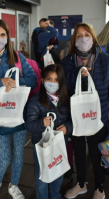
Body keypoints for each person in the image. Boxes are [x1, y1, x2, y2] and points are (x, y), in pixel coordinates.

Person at [0, 19, 37, 199]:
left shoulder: (17, 55)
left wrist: (16, 82)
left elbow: (33, 79)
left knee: (19, 154)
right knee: (3, 158)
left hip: (18, 113)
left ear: (7, 36)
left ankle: (14, 185)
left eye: (2, 35)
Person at [61, 23, 109, 199]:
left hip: (99, 117)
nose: (83, 39)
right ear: (74, 40)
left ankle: (100, 187)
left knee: (97, 155)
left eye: (86, 34)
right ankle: (81, 184)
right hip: (77, 119)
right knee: (79, 154)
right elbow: (64, 90)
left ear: (93, 37)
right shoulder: (67, 62)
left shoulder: (105, 61)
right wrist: (77, 74)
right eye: (79, 36)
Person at [25, 64, 72, 199]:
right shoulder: (35, 101)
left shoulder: (65, 100)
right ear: (43, 80)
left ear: (61, 82)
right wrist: (41, 123)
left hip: (59, 145)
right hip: (41, 146)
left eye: (56, 80)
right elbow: (29, 124)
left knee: (58, 174)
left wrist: (67, 127)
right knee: (42, 178)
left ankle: (55, 196)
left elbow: (73, 120)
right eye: (49, 79)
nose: (52, 83)